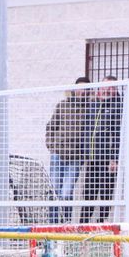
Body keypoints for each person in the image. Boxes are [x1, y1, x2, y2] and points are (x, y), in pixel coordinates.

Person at [45, 77, 91, 224]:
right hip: (58, 154)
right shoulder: (63, 105)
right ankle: (52, 226)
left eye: (85, 89)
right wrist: (52, 146)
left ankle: (65, 226)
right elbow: (51, 126)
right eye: (79, 88)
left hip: (75, 157)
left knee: (66, 193)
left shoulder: (91, 108)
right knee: (54, 191)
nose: (81, 91)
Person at [80, 77, 123, 224]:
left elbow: (118, 135)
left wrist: (115, 159)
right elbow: (86, 131)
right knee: (88, 193)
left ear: (115, 90)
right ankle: (82, 225)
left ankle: (101, 223)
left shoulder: (118, 107)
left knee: (105, 192)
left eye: (111, 87)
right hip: (92, 158)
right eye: (105, 87)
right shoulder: (93, 105)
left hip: (107, 159)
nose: (107, 90)